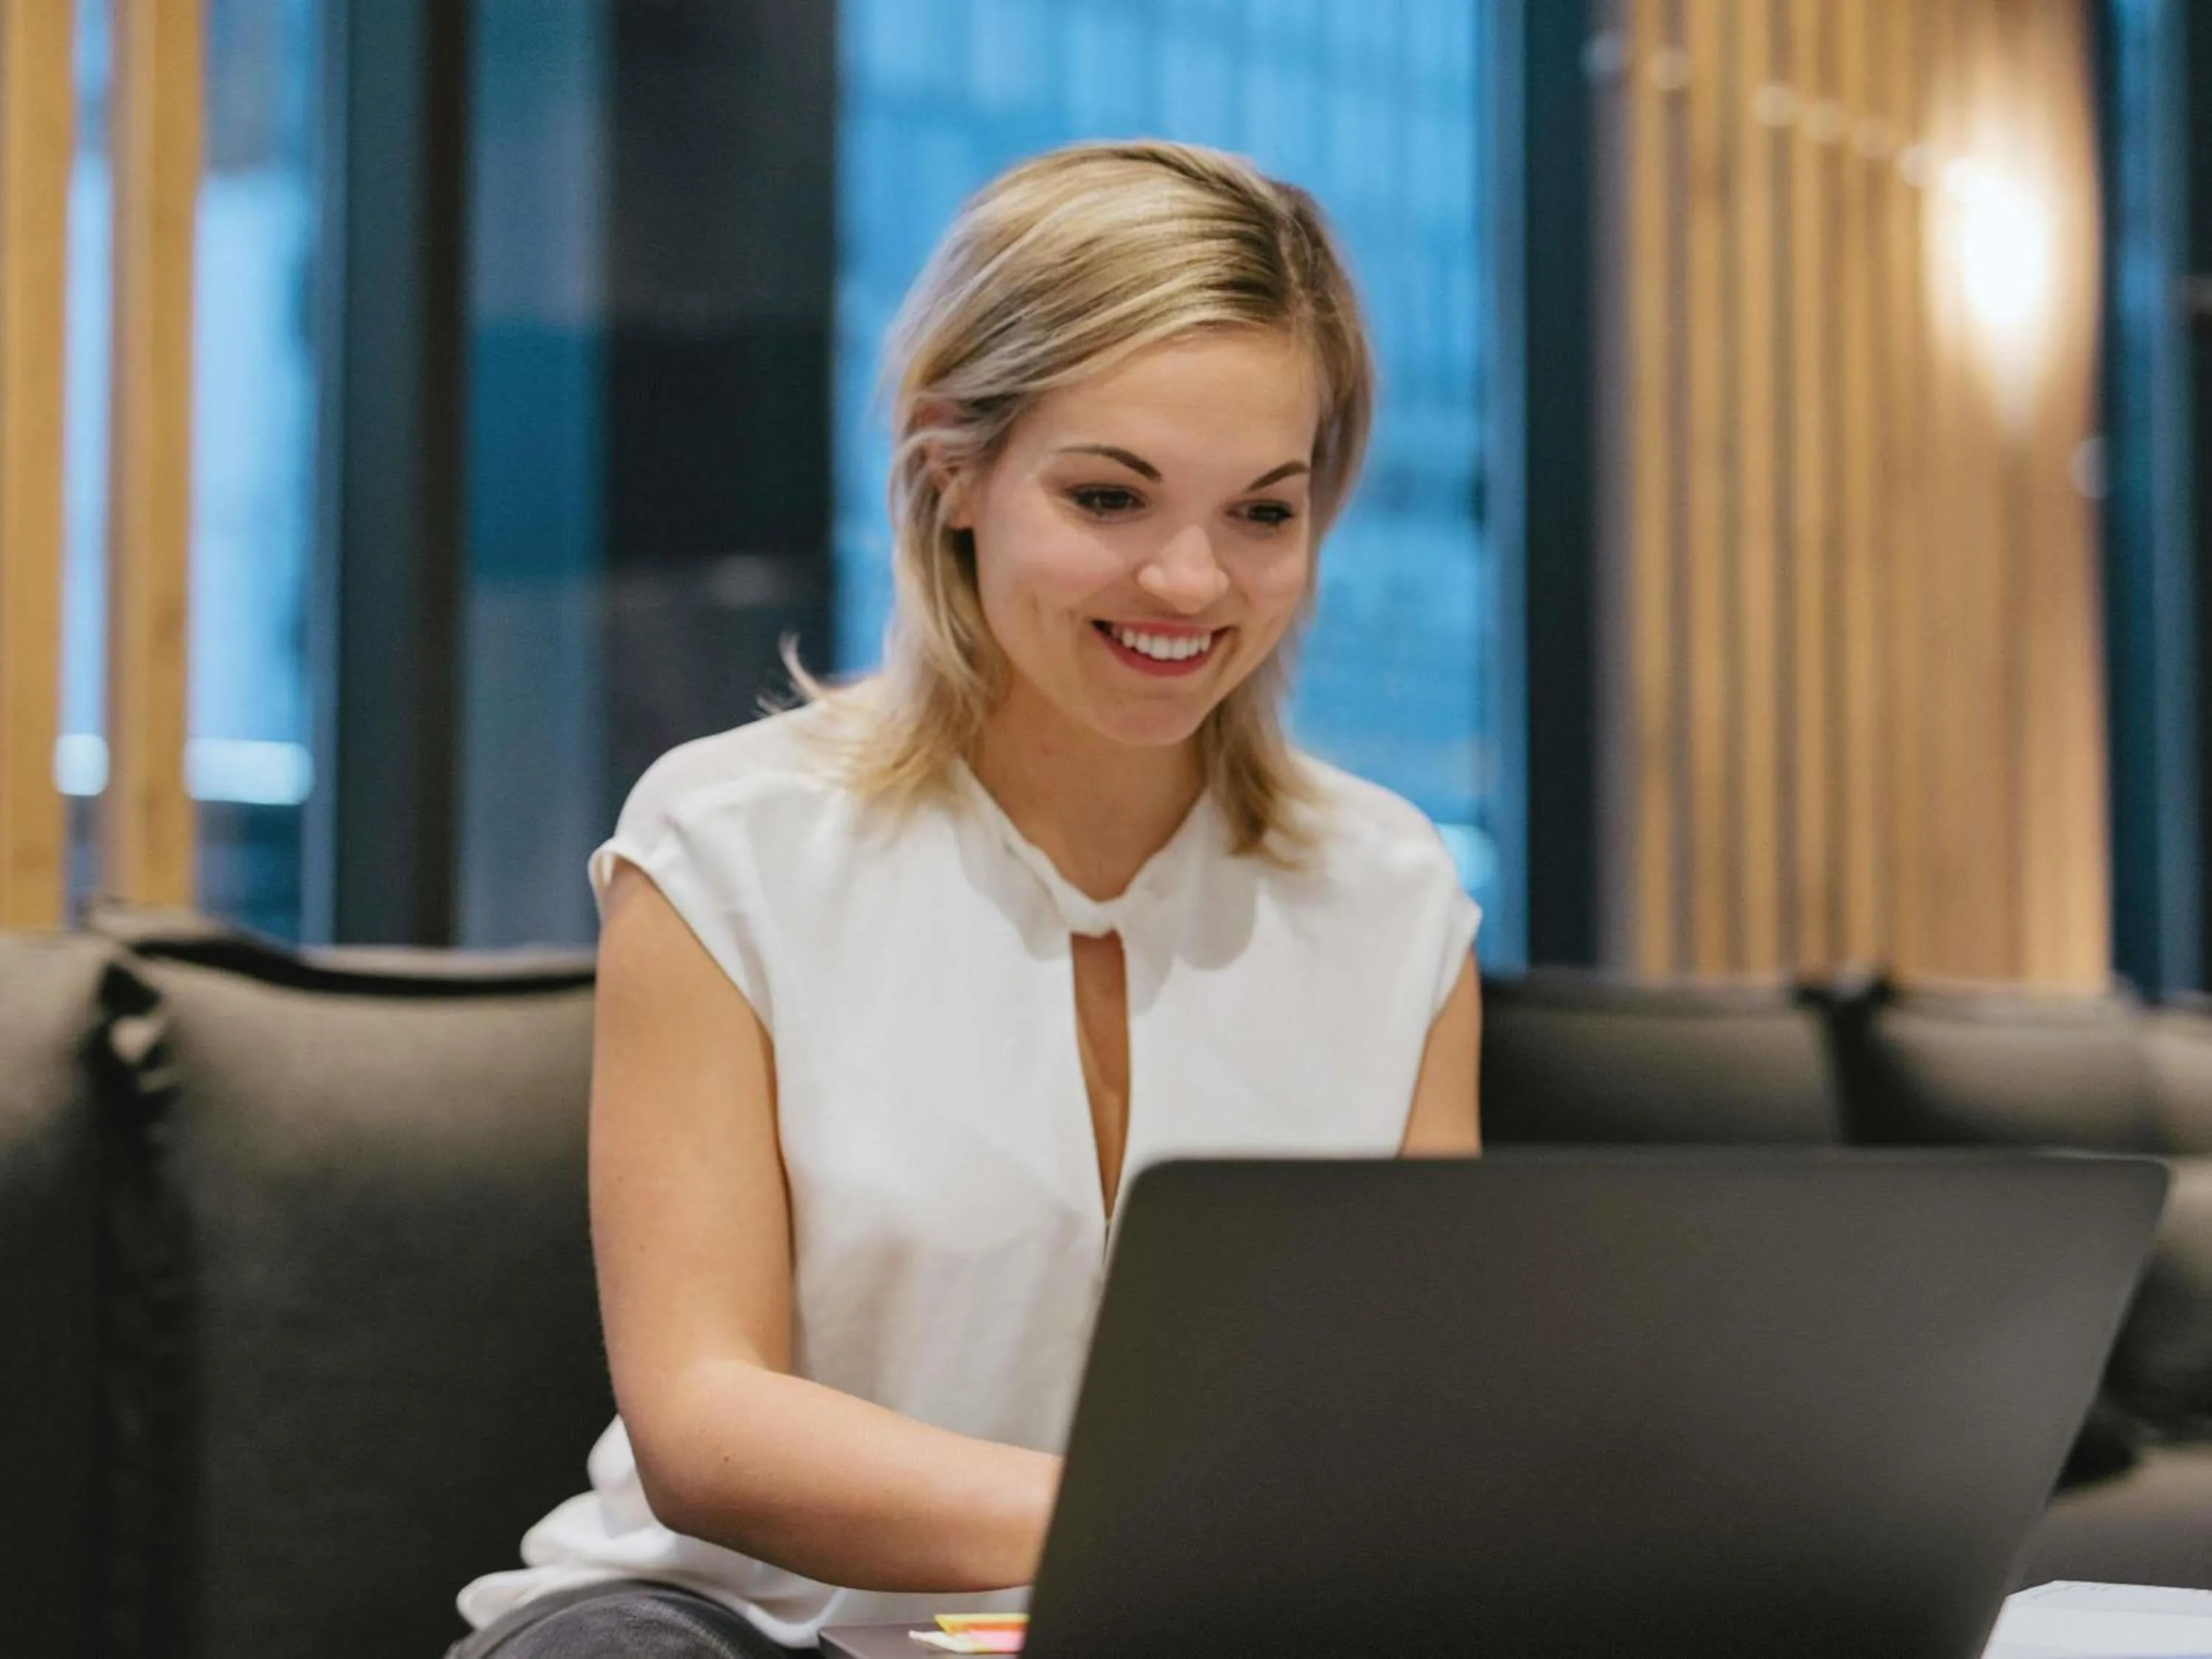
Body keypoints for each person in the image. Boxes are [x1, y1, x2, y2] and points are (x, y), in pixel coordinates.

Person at [445, 137, 1483, 1659]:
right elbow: (706, 1424)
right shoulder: (727, 843)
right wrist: (1154, 1522)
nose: (1192, 582)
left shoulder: (1394, 896)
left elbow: (1415, 1413)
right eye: (1111, 496)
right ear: (953, 469)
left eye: (1263, 512)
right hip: (743, 1636)